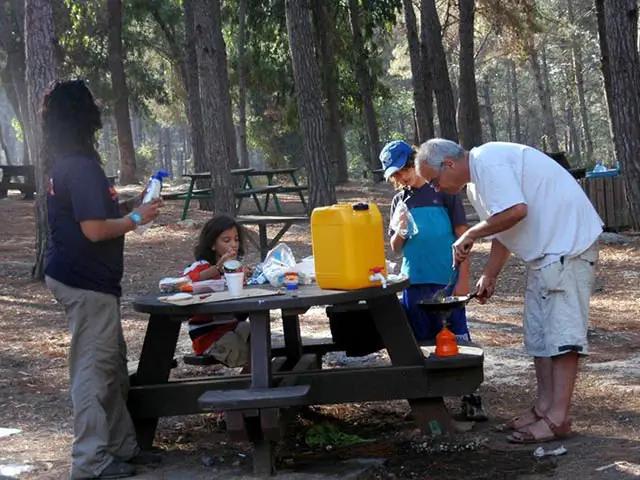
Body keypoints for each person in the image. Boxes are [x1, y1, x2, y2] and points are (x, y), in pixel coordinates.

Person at [414, 139, 602, 444]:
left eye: (434, 181)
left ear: (448, 164)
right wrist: (490, 273)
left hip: (568, 246)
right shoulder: (476, 184)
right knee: (539, 335)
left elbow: (516, 211)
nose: (435, 189)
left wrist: (472, 233)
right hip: (544, 255)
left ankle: (557, 419)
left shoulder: (489, 160)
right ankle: (543, 409)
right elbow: (504, 227)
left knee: (563, 336)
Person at [44, 80, 163, 478]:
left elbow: (98, 212)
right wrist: (135, 220)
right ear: (81, 113)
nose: (98, 108)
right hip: (85, 282)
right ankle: (91, 462)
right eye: (92, 102)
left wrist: (133, 205)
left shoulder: (72, 162)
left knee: (111, 367)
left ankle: (121, 449)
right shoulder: (77, 167)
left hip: (91, 282)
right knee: (93, 372)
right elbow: (94, 230)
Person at [380, 140, 487, 421]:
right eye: (395, 175)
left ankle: (470, 397)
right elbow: (395, 246)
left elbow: (463, 236)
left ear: (415, 161)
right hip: (413, 280)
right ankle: (429, 402)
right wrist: (400, 230)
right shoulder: (399, 200)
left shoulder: (443, 191)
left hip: (446, 279)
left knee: (457, 337)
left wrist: (463, 278)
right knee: (420, 341)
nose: (401, 177)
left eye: (404, 169)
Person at [182, 215, 251, 368]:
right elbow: (186, 281)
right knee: (236, 344)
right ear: (213, 245)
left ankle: (256, 377)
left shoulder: (236, 269)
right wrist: (219, 268)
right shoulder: (200, 266)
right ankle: (253, 381)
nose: (233, 244)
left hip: (232, 326)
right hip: (208, 335)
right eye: (227, 241)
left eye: (236, 239)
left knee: (257, 334)